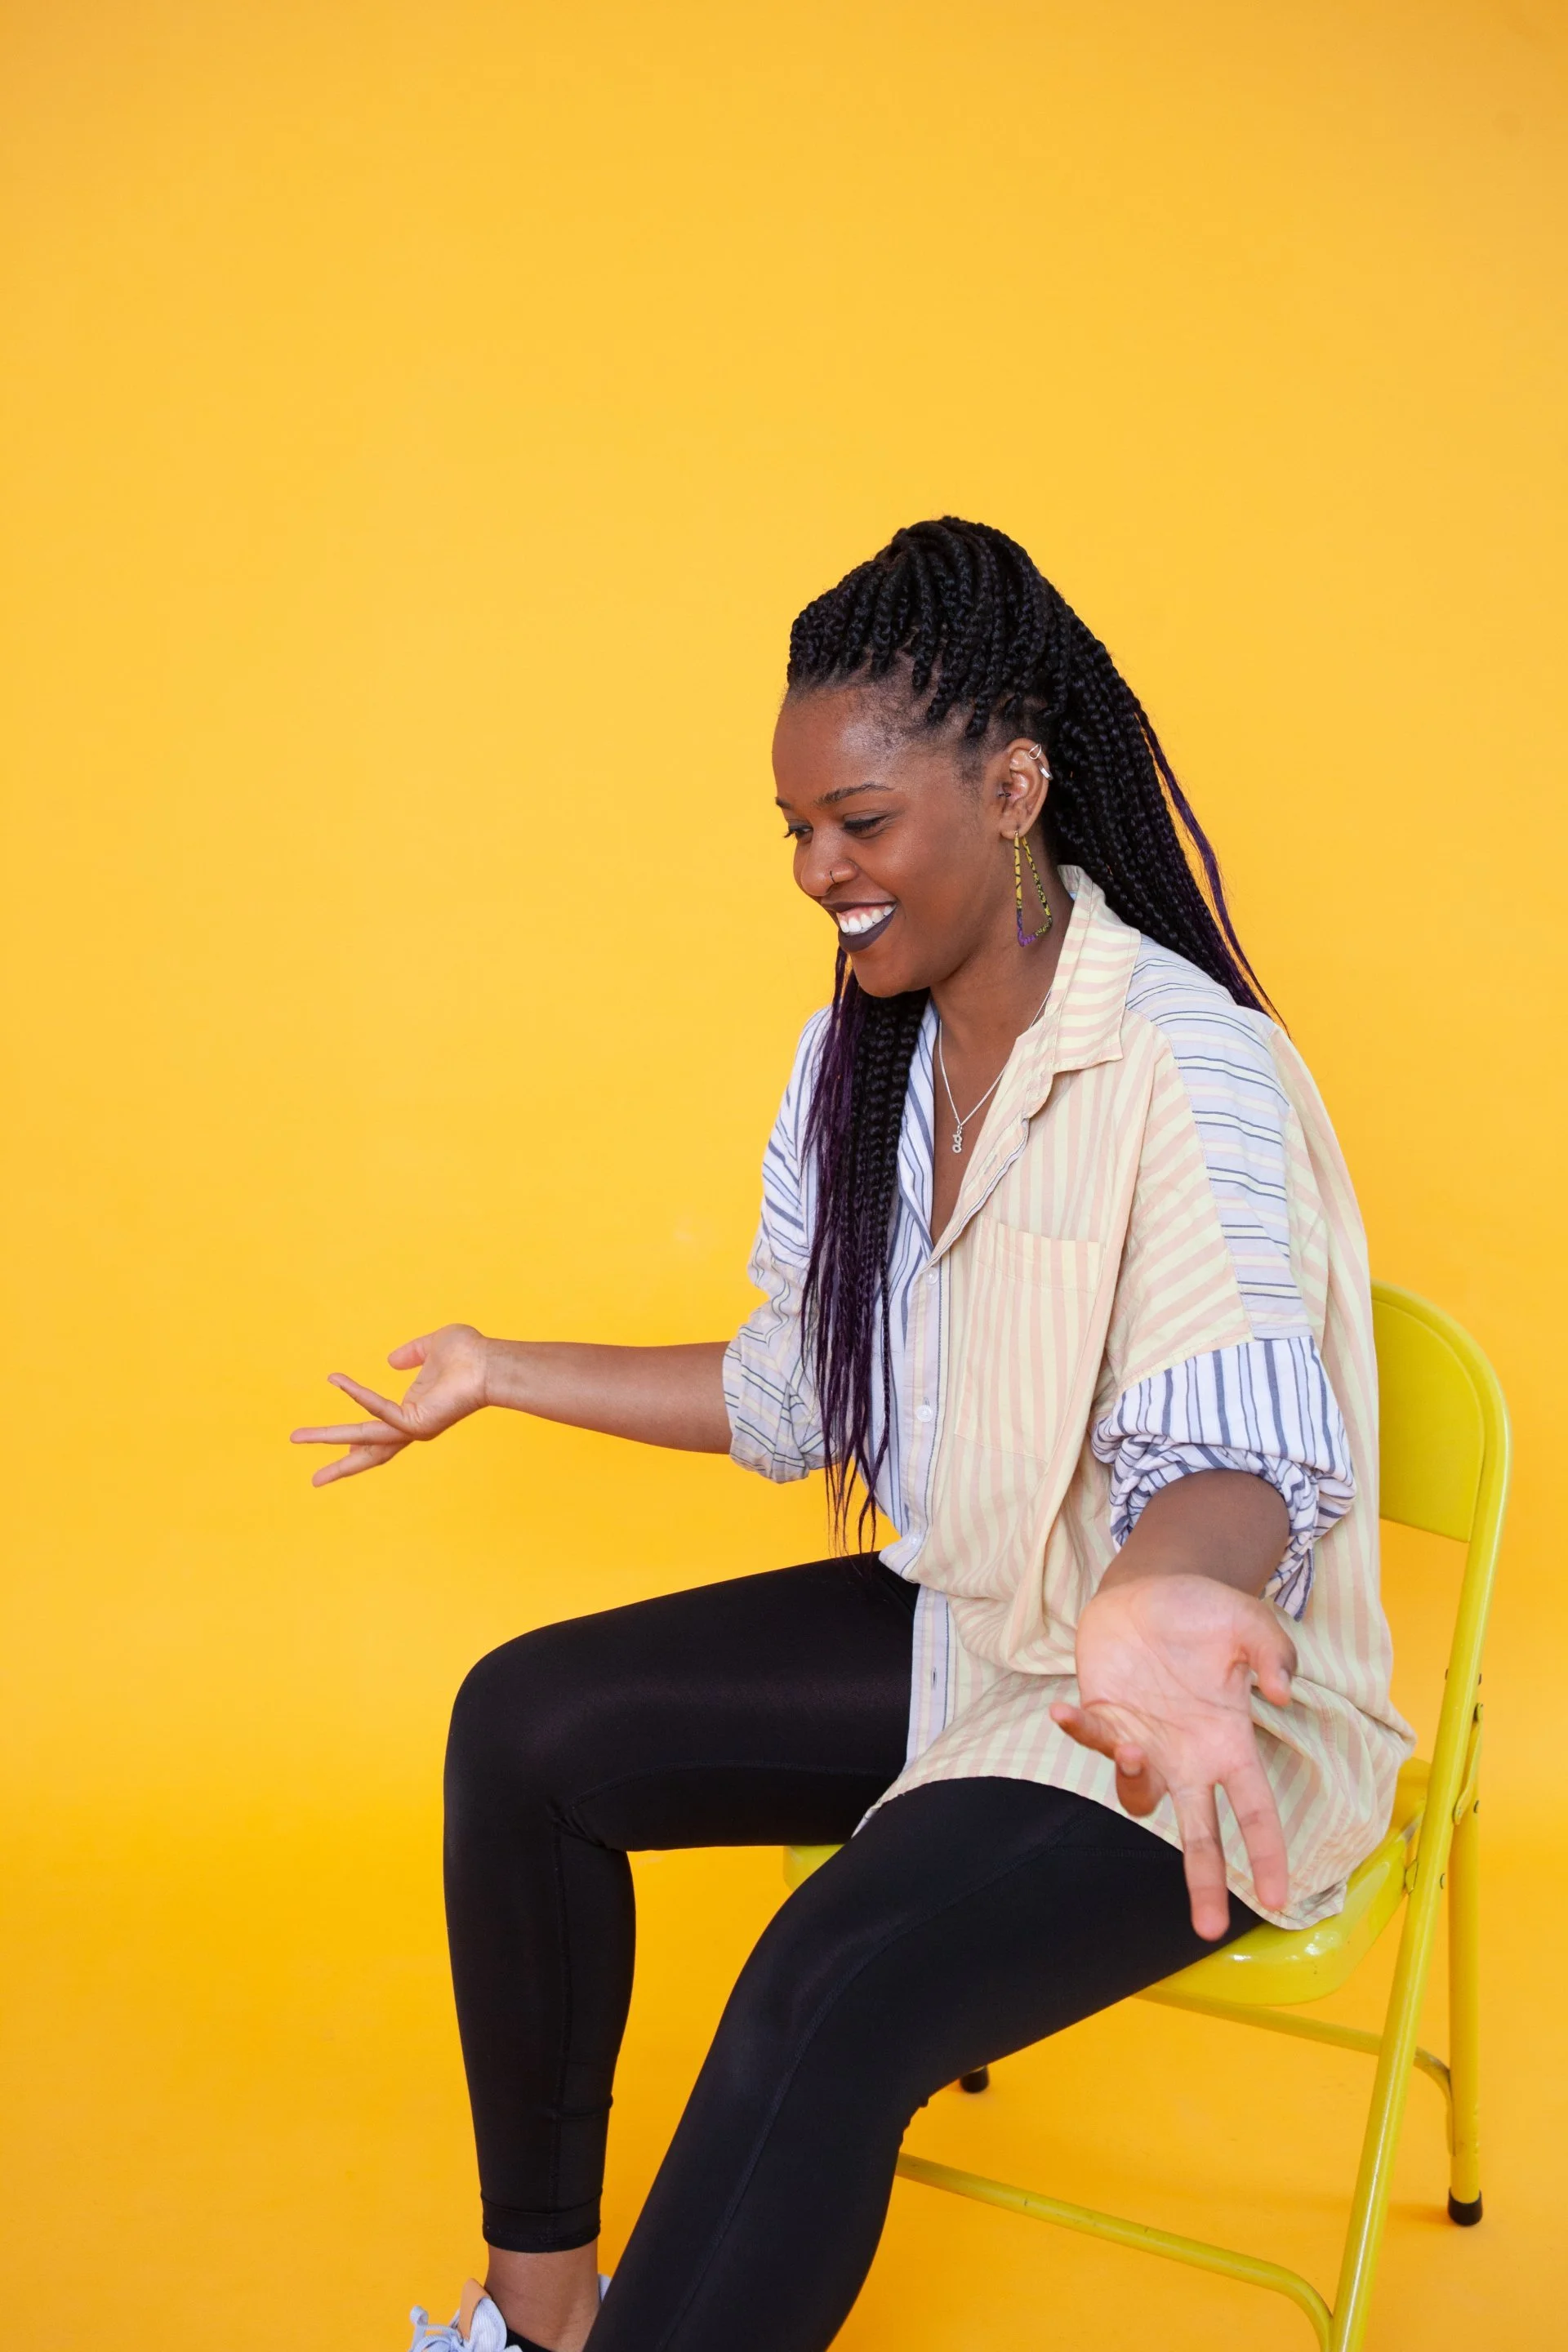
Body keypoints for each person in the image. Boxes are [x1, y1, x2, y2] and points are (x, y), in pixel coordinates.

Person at [293, 519, 1412, 2352]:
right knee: (526, 1727)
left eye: (861, 823)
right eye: (798, 830)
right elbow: (794, 1394)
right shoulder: (866, 1062)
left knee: (831, 1982)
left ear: (1014, 784)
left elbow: (1236, 1445)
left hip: (1177, 1709)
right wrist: (501, 1367)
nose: (820, 869)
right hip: (973, 1635)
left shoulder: (1186, 1065)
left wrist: (1156, 1601)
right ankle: (544, 2314)